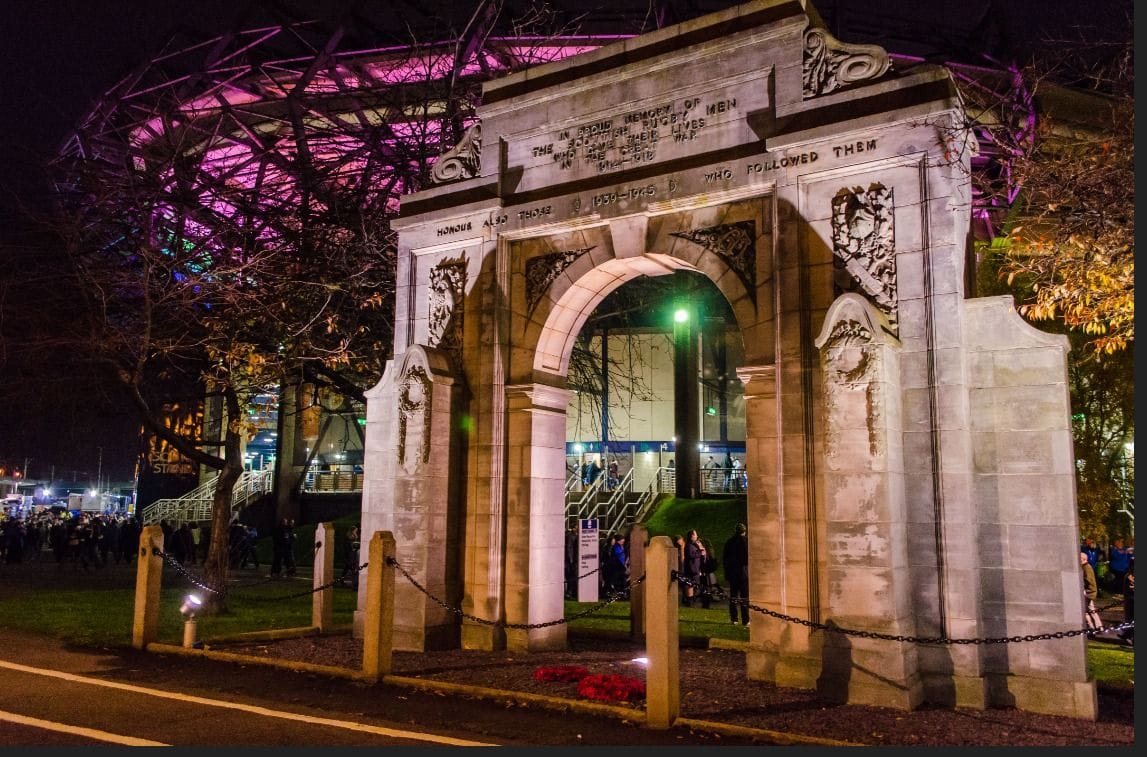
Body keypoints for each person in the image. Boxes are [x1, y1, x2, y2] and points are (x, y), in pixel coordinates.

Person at [723, 523, 750, 625]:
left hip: (733, 573)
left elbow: (726, 559)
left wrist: (727, 573)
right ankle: (746, 619)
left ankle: (734, 618)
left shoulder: (729, 542)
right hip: (744, 573)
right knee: (744, 597)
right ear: (744, 531)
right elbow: (748, 558)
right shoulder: (746, 541)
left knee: (733, 596)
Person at [683, 530, 705, 607]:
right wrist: (700, 552)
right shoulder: (688, 546)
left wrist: (701, 550)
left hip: (696, 569)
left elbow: (700, 554)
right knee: (690, 586)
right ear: (691, 536)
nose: (697, 536)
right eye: (695, 535)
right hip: (691, 569)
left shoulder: (694, 545)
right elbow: (690, 555)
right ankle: (689, 602)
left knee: (694, 586)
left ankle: (690, 600)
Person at [1081, 551, 1102, 630]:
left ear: (1083, 559)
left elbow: (1090, 581)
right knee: (1090, 611)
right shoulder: (1085, 567)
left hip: (1087, 593)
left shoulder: (1086, 567)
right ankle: (1097, 626)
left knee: (1088, 611)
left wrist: (1089, 593)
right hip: (1088, 592)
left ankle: (1094, 627)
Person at [1119, 558, 1134, 645]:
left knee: (1130, 620)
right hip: (1131, 602)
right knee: (1131, 620)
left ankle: (1127, 635)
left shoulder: (1129, 575)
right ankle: (1128, 636)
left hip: (1130, 602)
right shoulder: (1130, 576)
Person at [344, 525, 361, 589]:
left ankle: (354, 583)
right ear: (352, 530)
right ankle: (353, 583)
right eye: (355, 530)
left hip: (355, 554)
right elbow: (351, 545)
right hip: (351, 554)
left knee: (351, 568)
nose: (356, 531)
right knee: (351, 568)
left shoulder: (355, 536)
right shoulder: (349, 537)